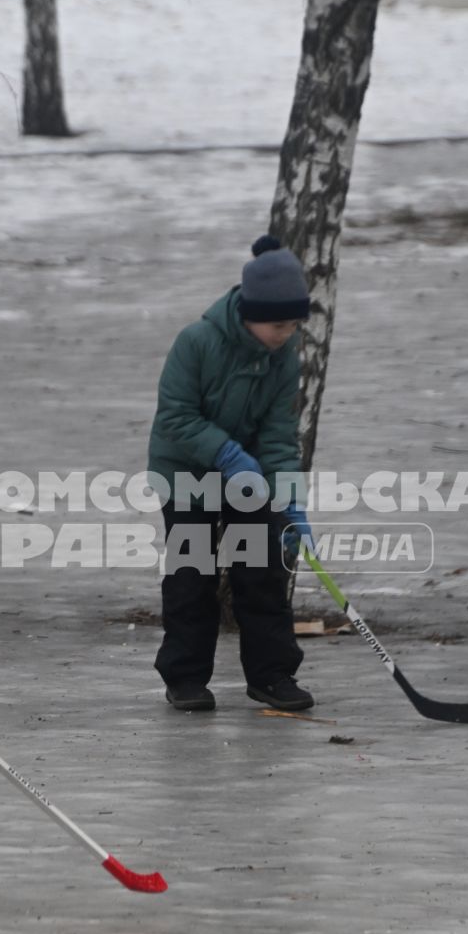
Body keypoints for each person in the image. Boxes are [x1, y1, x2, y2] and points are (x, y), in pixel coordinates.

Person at [146, 235, 313, 713]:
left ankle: (272, 675)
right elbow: (175, 417)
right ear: (250, 313)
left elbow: (280, 434)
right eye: (277, 324)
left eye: (293, 324)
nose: (286, 333)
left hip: (252, 477)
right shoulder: (196, 342)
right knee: (192, 575)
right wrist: (227, 455)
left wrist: (288, 500)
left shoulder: (284, 355)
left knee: (262, 572)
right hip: (186, 474)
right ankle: (185, 678)